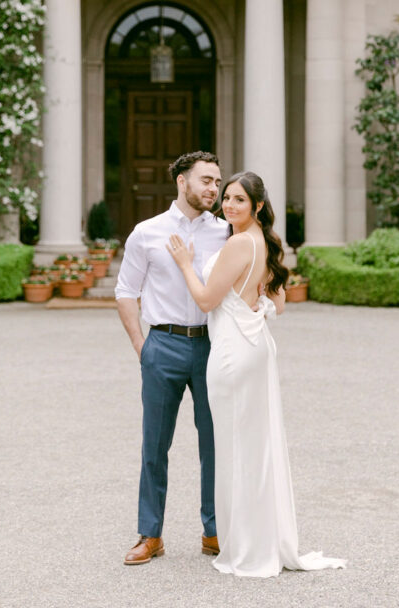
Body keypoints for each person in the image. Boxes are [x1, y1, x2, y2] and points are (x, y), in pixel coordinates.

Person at [167, 170, 346, 578]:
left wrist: (185, 264)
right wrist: (256, 300)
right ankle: (257, 538)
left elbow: (207, 299)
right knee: (254, 447)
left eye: (239, 200)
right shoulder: (263, 243)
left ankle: (247, 547)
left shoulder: (237, 244)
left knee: (237, 449)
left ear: (258, 206)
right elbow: (278, 304)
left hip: (232, 352)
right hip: (256, 348)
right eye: (226, 197)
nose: (228, 205)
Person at [115, 151, 228, 566]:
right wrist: (143, 348)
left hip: (213, 346)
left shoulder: (227, 232)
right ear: (182, 181)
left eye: (217, 181)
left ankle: (214, 531)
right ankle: (150, 535)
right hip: (162, 345)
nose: (214, 189)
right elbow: (125, 291)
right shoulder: (147, 232)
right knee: (154, 445)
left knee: (215, 443)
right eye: (206, 181)